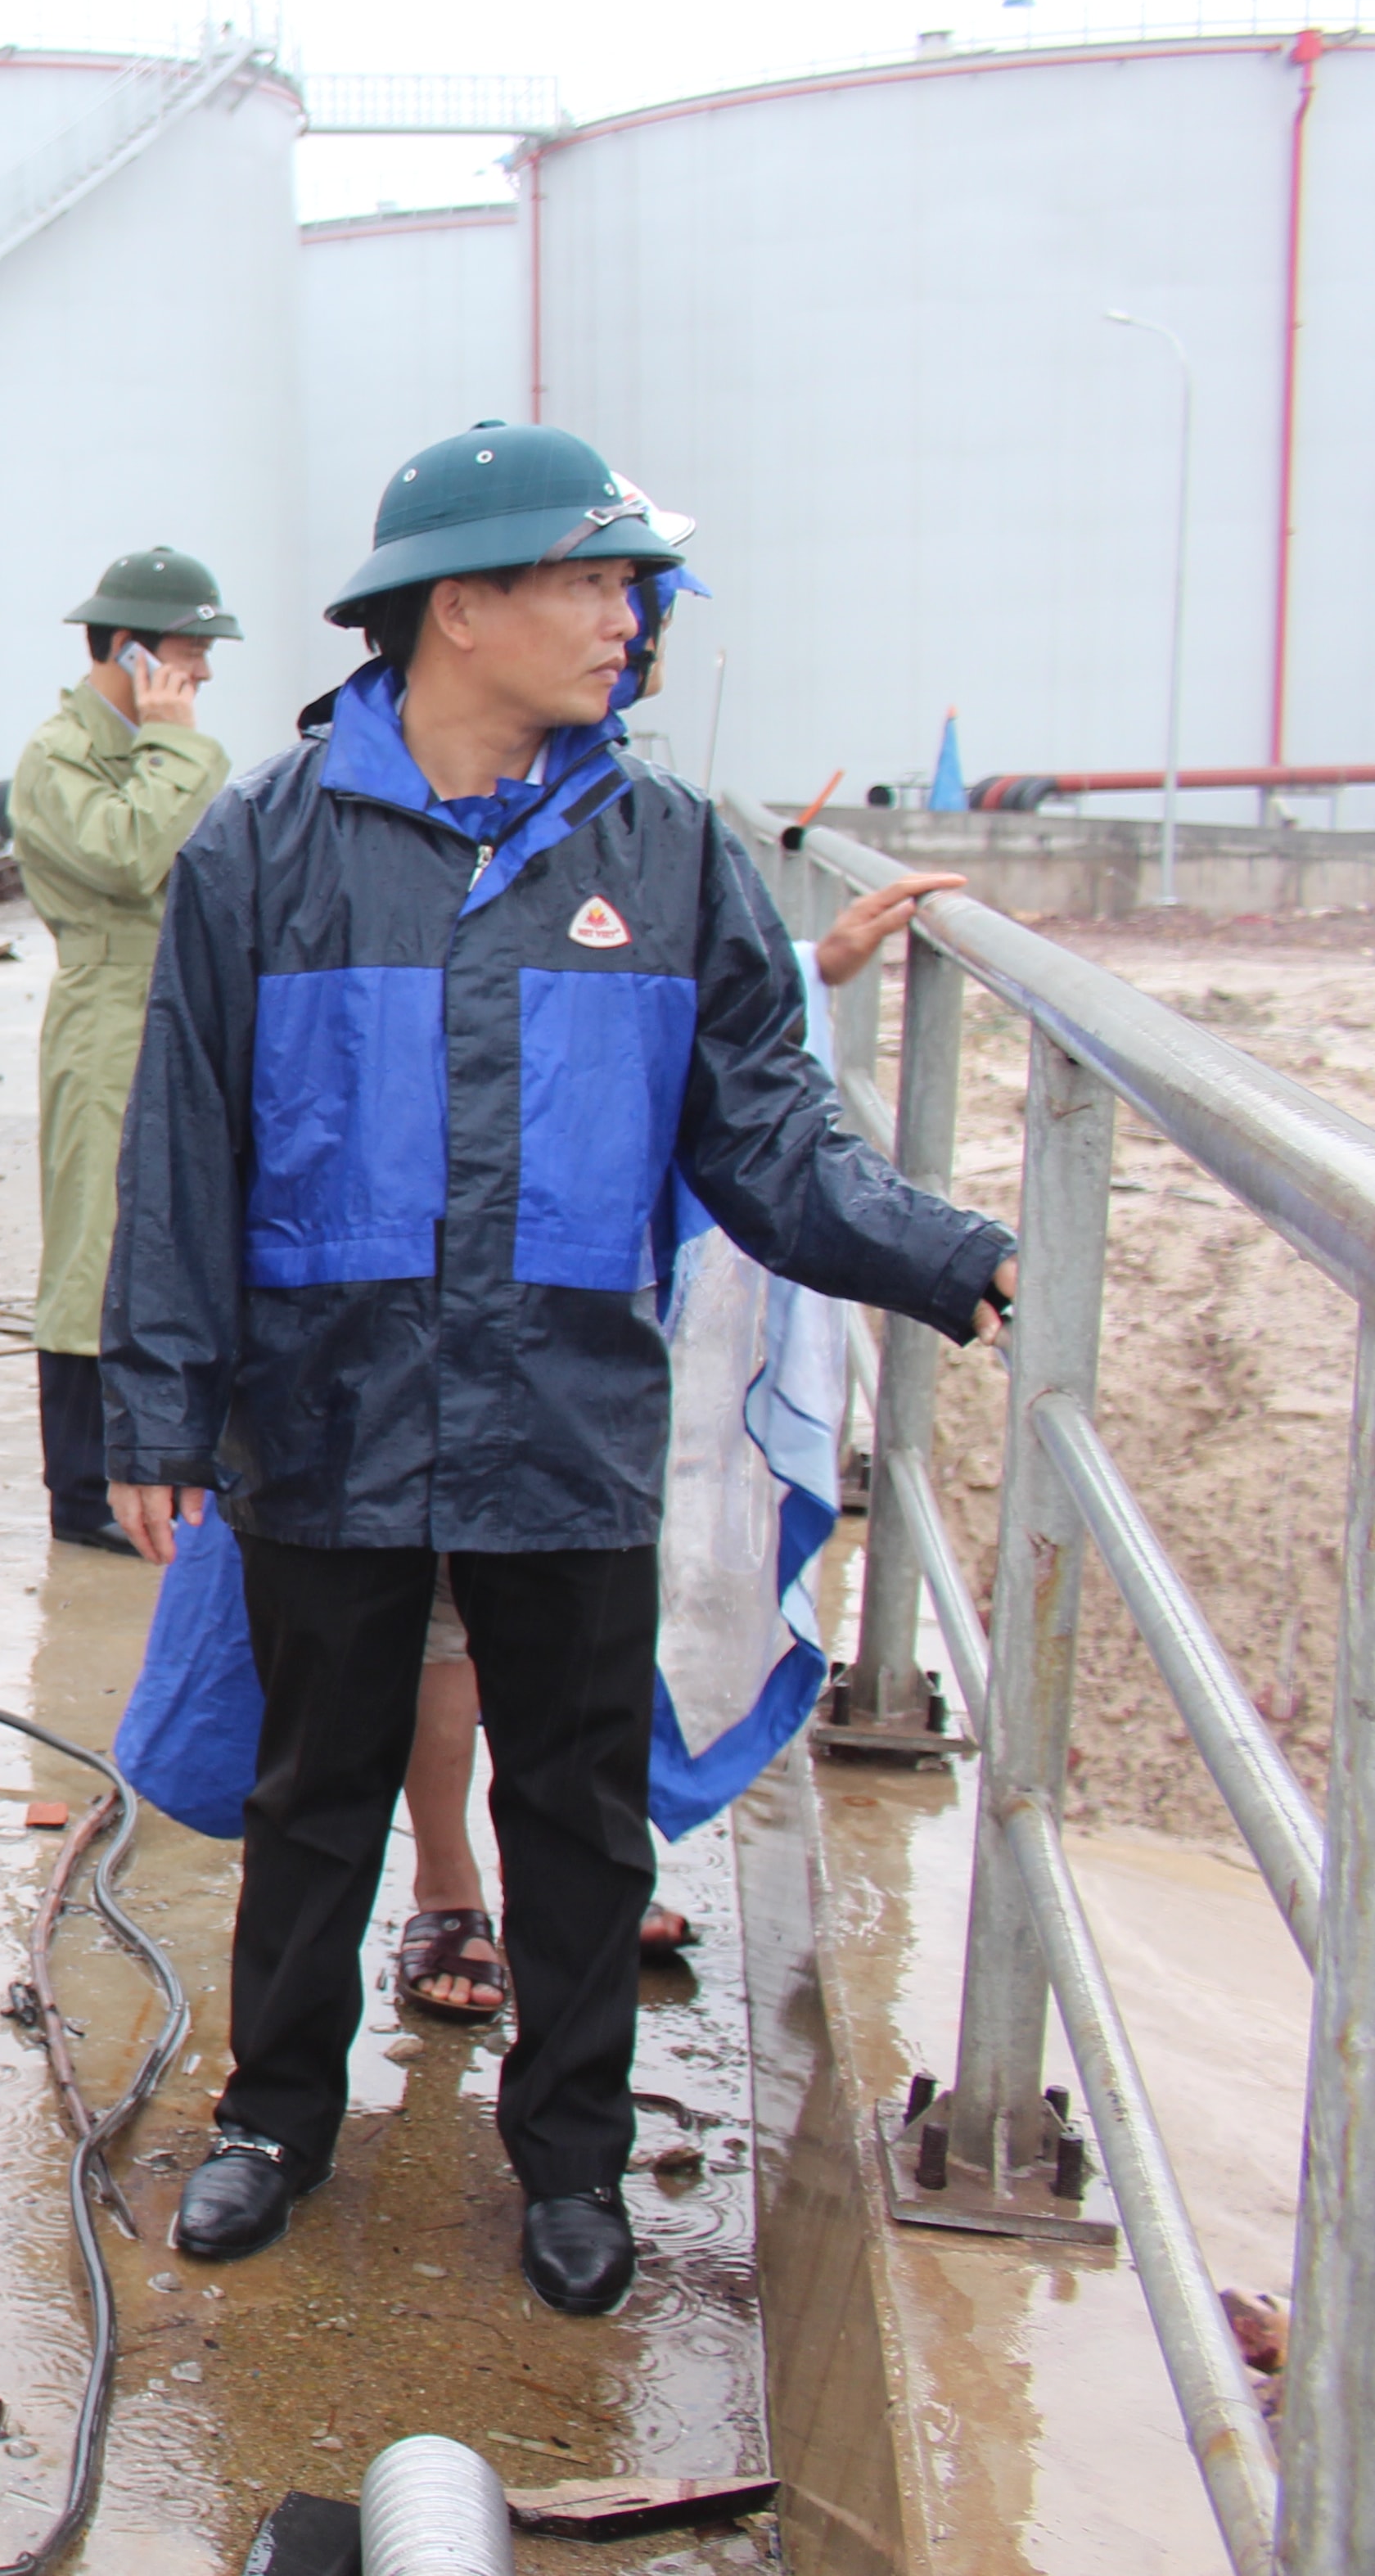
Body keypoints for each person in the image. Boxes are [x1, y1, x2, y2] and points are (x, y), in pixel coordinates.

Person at [102, 420, 1018, 2316]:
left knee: (576, 1808)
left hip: (561, 1410)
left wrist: (946, 1253)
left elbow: (766, 1141)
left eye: (628, 585)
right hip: (328, 1401)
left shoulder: (664, 853)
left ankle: (570, 2154)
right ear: (460, 605)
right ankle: (272, 2116)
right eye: (590, 580)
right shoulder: (260, 848)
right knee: (313, 1785)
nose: (627, 620)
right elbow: (180, 1143)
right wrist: (158, 1403)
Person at [393, 859, 969, 2020]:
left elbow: (695, 1022)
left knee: (582, 1589)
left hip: (597, 1275)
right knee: (447, 1593)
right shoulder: (400, 806)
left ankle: (573, 1877)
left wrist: (811, 968)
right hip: (444, 1260)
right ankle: (448, 1883)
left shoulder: (647, 829)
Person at [7, 548, 239, 1555]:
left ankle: (154, 1455)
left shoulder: (150, 747)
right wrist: (176, 742)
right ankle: (80, 1488)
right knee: (94, 1244)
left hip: (175, 1007)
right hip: (109, 1014)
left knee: (168, 1236)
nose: (201, 680)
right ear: (133, 652)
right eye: (189, 658)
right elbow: (130, 852)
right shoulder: (58, 758)